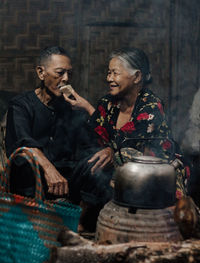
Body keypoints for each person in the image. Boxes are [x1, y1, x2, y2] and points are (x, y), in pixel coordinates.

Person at [64, 47, 189, 211]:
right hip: (122, 171)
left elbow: (129, 142)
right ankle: (78, 211)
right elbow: (99, 134)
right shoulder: (108, 103)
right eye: (108, 73)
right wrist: (86, 107)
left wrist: (111, 151)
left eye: (115, 73)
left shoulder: (151, 105)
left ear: (136, 76)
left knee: (123, 155)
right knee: (92, 158)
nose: (109, 78)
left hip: (158, 170)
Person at [5, 46, 89, 199]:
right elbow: (24, 143)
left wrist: (86, 108)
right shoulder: (21, 105)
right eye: (60, 73)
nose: (66, 79)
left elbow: (87, 144)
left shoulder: (72, 107)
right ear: (41, 73)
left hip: (65, 182)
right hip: (30, 182)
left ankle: (80, 220)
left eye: (69, 73)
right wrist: (49, 170)